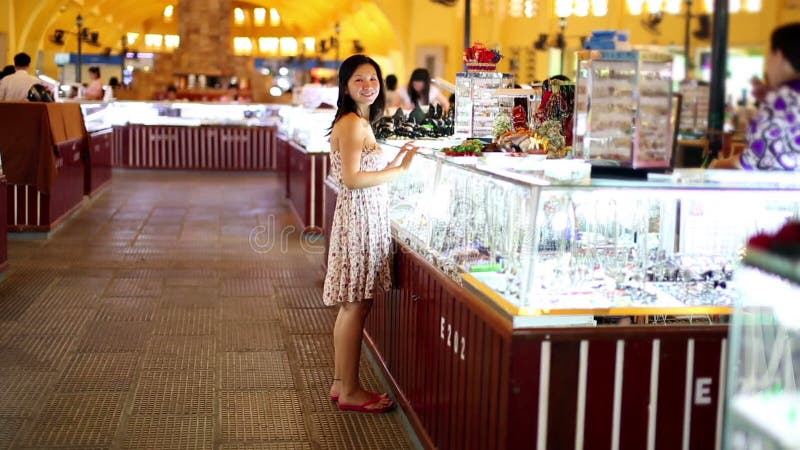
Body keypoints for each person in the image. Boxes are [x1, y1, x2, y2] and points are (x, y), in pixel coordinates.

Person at [324, 54, 418, 414]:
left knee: (354, 305)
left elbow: (364, 170)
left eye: (373, 79)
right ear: (346, 87)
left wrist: (395, 162)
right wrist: (401, 171)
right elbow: (350, 179)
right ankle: (350, 389)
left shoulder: (362, 122)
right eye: (359, 80)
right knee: (355, 306)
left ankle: (340, 383)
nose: (368, 85)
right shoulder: (351, 123)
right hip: (358, 220)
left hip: (364, 217)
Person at [710, 22, 800, 170]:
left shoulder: (782, 98)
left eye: (769, 55)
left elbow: (757, 160)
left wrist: (715, 166)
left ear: (779, 55)